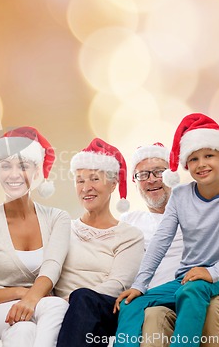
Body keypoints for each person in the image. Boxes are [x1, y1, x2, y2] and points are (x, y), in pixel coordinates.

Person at [113, 113, 219, 347]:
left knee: (192, 291)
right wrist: (139, 285)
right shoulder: (180, 196)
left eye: (209, 155)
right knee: (133, 303)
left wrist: (212, 272)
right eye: (193, 159)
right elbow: (161, 242)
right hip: (187, 280)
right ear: (185, 165)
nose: (201, 164)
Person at [0, 126, 71, 347]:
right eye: (5, 166)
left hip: (31, 310)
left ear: (37, 172)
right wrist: (22, 294)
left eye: (23, 166)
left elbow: (52, 267)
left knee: (23, 329)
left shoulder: (57, 218)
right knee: (55, 306)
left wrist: (29, 300)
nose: (14, 174)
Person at [55, 138, 145, 347]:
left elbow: (118, 284)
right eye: (80, 180)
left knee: (83, 298)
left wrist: (73, 300)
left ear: (113, 184)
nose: (86, 188)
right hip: (61, 307)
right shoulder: (62, 228)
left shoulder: (130, 235)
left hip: (105, 309)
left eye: (94, 179)